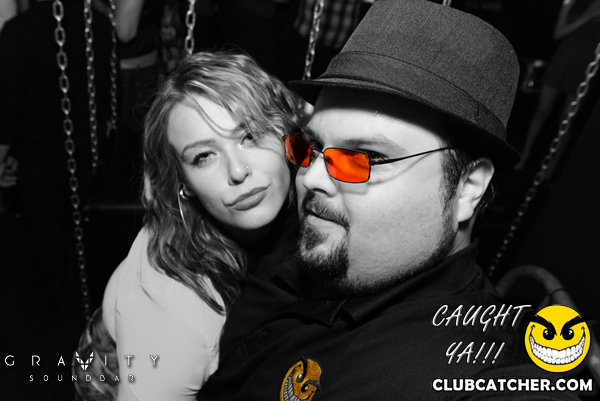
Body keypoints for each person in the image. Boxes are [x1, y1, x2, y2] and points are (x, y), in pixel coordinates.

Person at [200, 1, 581, 399]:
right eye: (312, 147)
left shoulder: (482, 373)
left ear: (467, 187)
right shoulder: (307, 243)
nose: (311, 178)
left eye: (367, 157)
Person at [73, 51, 303, 401]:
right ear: (183, 184)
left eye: (250, 135)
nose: (238, 171)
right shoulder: (177, 315)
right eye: (204, 156)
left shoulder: (305, 188)